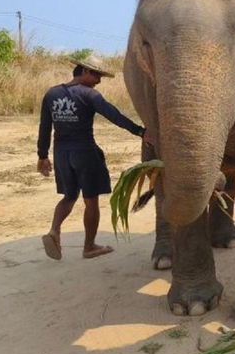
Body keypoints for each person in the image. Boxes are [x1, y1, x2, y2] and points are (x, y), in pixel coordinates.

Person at [37, 54, 152, 260]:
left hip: (61, 153)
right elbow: (113, 115)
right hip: (84, 153)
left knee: (69, 197)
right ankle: (89, 247)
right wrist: (140, 132)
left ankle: (54, 230)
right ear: (85, 71)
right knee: (91, 202)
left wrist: (42, 156)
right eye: (97, 75)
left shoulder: (51, 94)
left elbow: (45, 127)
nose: (99, 81)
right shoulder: (89, 95)